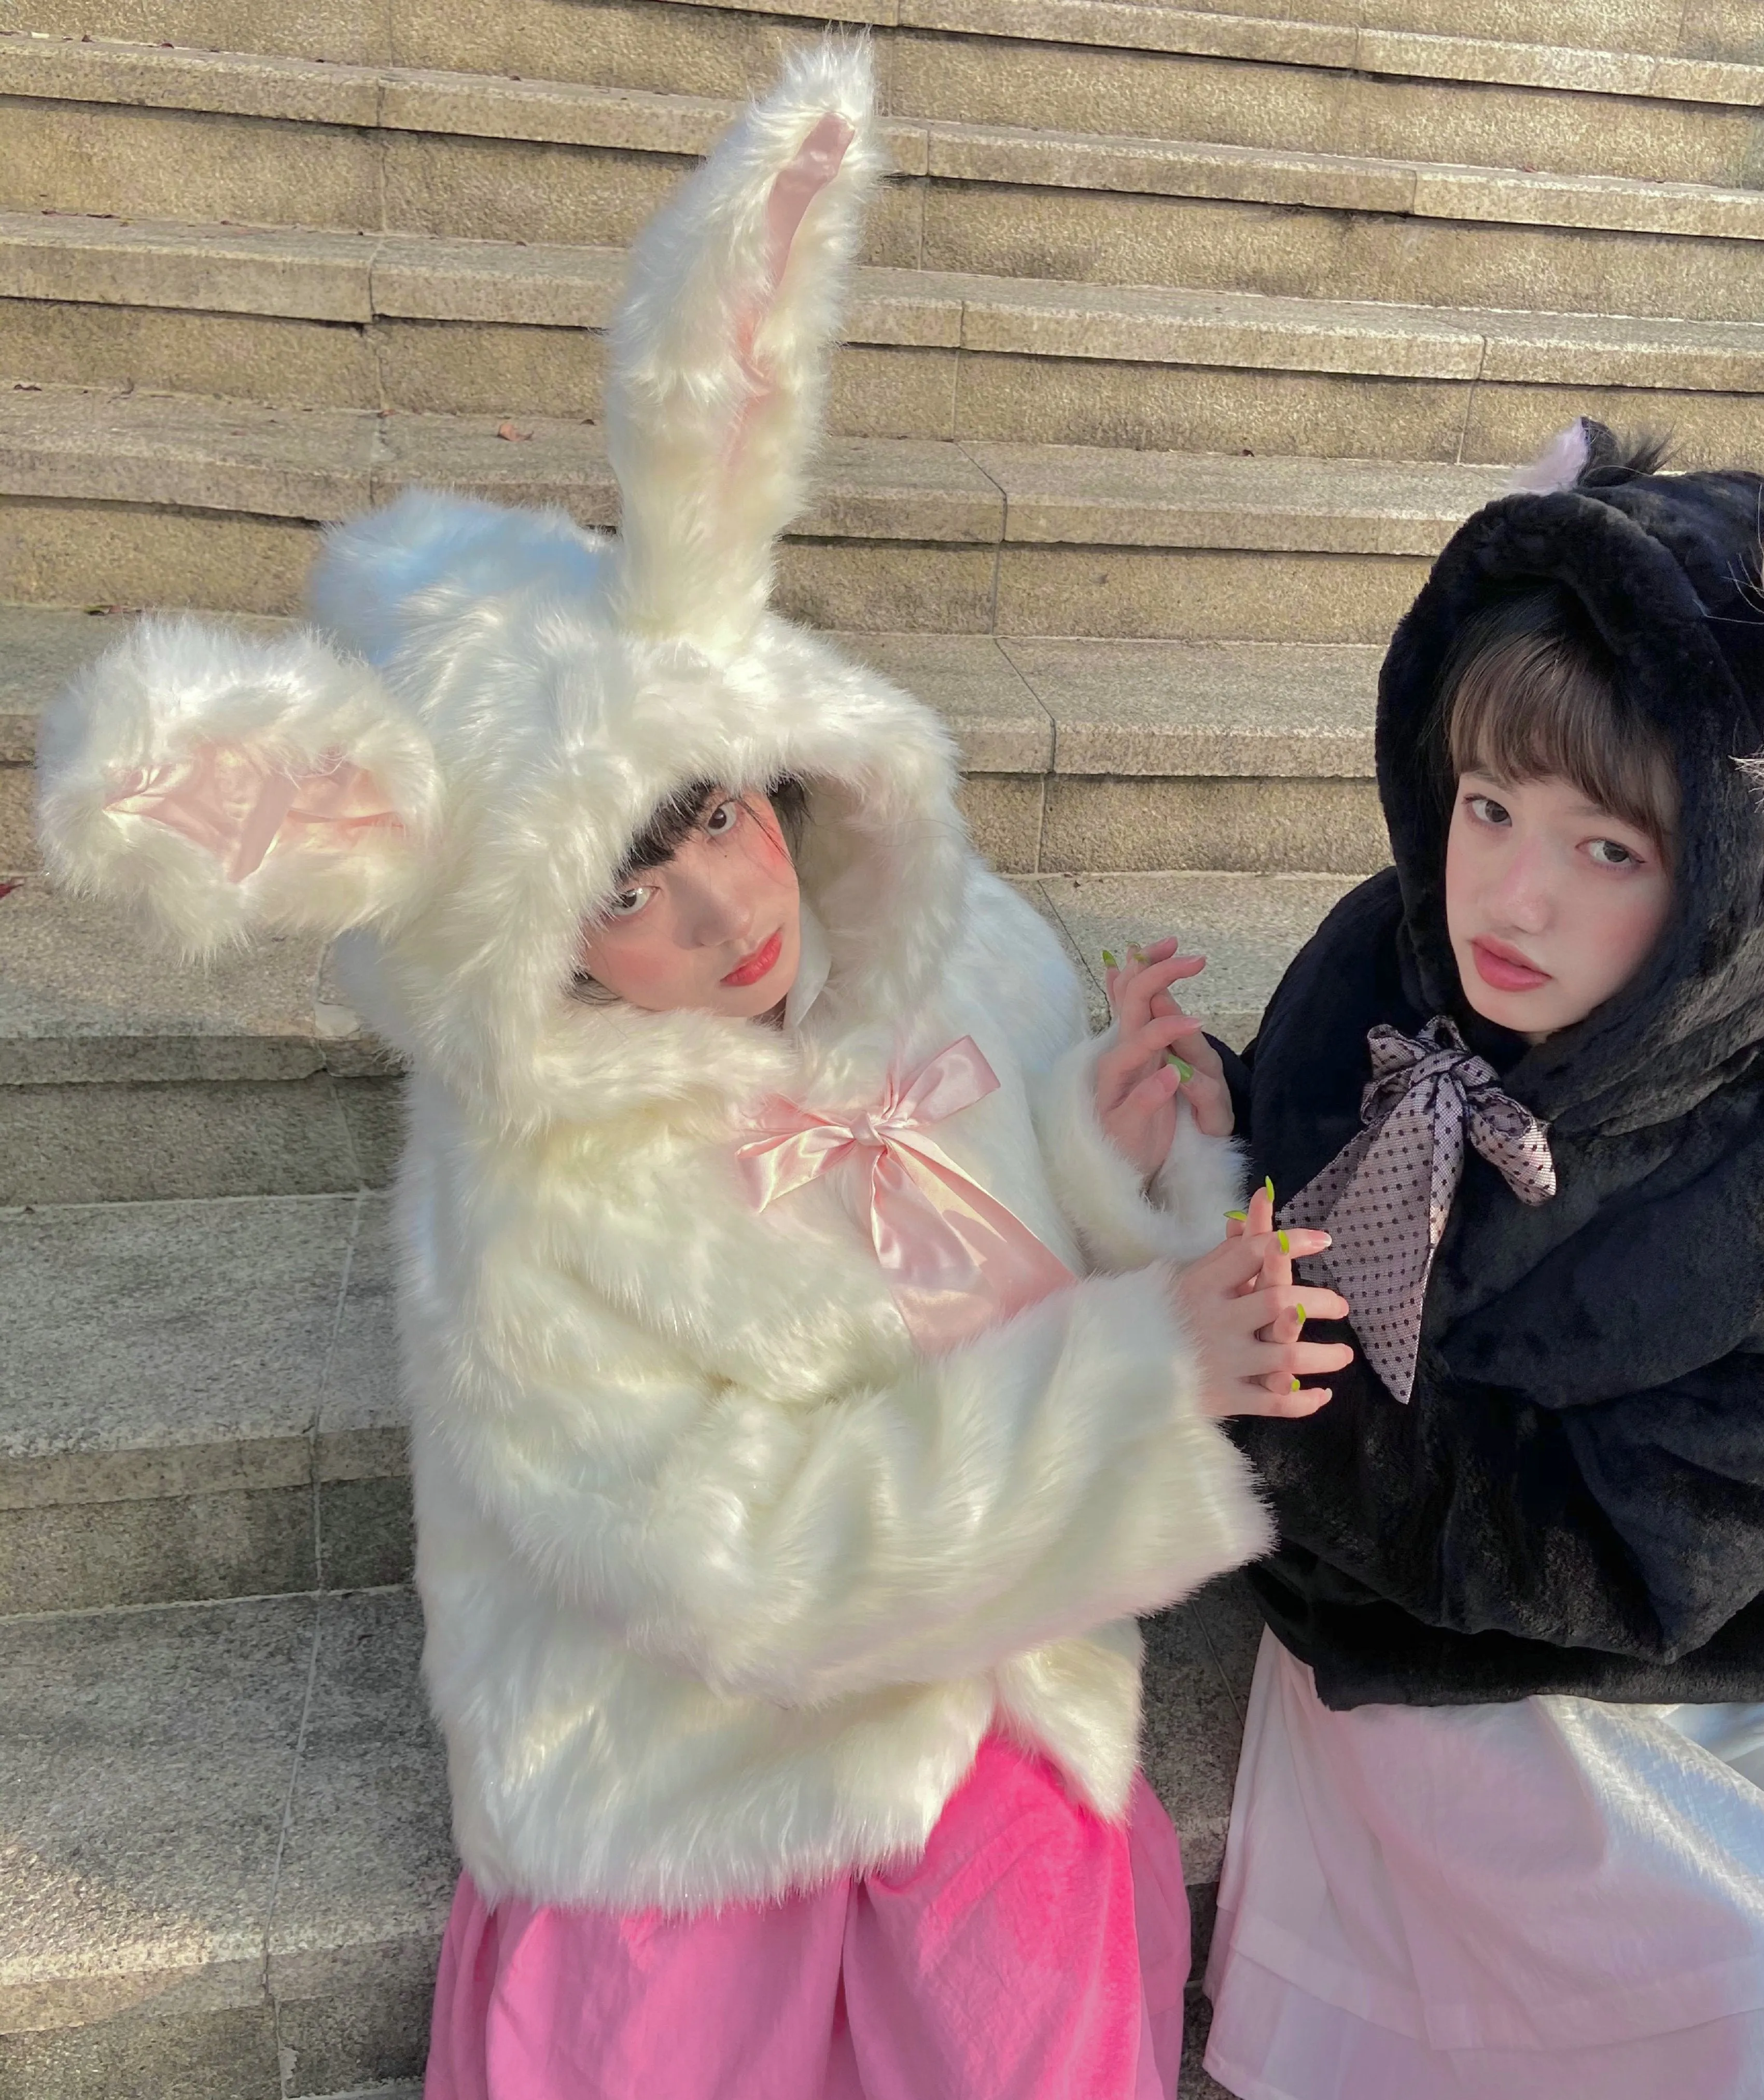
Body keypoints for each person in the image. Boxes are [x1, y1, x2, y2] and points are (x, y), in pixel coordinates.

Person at [35, 48, 1356, 2100]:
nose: (724, 898)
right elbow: (734, 1559)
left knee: (1025, 1991)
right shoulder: (534, 1204)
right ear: (531, 935)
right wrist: (1129, 1380)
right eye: (626, 882)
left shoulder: (957, 939)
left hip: (973, 1635)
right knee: (647, 2023)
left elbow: (1055, 1251)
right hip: (678, 1714)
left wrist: (1113, 1170)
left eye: (723, 813)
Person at [1198, 422, 1764, 2098]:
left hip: (1669, 1668)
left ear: (1742, 888)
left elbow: (1615, 1563)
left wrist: (1276, 1407)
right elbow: (1304, 1165)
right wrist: (1208, 1118)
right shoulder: (1378, 966)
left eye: (1610, 849)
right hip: (1400, 1647)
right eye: (1485, 806)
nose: (1511, 899)